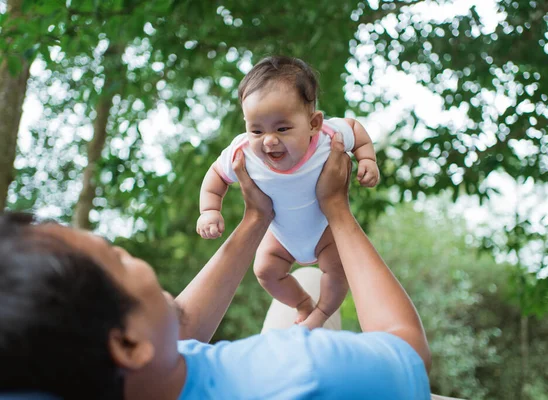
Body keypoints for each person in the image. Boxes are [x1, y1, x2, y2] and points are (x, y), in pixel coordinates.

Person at [0, 135, 431, 399]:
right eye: (119, 259)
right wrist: (336, 208)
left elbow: (180, 329)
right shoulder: (303, 373)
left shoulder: (77, 373)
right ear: (129, 346)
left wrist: (255, 217)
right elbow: (407, 349)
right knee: (310, 276)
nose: (131, 257)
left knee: (303, 277)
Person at [196, 56, 380, 329]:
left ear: (313, 123)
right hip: (280, 234)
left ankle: (320, 315)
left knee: (338, 273)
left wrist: (367, 160)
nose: (269, 140)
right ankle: (302, 303)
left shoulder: (328, 138)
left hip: (324, 232)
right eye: (256, 129)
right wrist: (209, 210)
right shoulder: (243, 151)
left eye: (282, 128)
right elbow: (216, 175)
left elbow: (355, 128)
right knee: (265, 271)